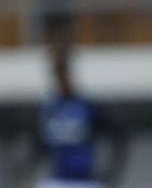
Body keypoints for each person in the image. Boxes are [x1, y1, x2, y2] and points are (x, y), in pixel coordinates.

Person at [22, 49, 123, 188]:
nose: (62, 80)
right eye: (58, 76)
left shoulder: (87, 106)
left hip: (85, 180)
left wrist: (111, 171)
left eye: (65, 74)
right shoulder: (49, 109)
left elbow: (117, 136)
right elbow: (38, 145)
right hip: (58, 179)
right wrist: (28, 168)